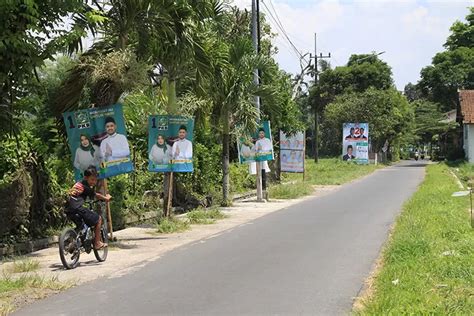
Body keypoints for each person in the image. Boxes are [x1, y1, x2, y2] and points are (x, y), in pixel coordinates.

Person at [65, 166, 111, 249]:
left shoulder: (78, 184)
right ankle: (97, 243)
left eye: (95, 180)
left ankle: (72, 242)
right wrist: (106, 198)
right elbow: (96, 195)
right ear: (86, 178)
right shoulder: (84, 186)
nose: (94, 182)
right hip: (77, 208)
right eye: (92, 179)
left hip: (69, 209)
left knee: (81, 226)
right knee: (98, 219)